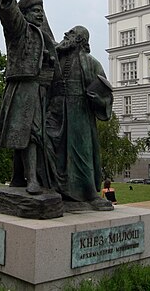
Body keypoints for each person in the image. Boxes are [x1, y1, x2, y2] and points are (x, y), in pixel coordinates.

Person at [0, 0, 60, 195]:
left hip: (37, 88)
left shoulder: (40, 35)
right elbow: (10, 13)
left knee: (21, 133)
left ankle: (18, 177)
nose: (40, 14)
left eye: (41, 10)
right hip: (23, 86)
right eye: (35, 10)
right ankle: (32, 180)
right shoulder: (19, 29)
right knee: (31, 132)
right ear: (25, 13)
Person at [46, 26, 113, 203]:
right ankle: (55, 187)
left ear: (80, 40)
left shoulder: (91, 63)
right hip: (56, 110)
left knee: (81, 154)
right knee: (47, 144)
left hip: (79, 113)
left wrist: (98, 100)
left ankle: (89, 193)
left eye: (72, 33)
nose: (66, 34)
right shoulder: (56, 58)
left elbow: (106, 94)